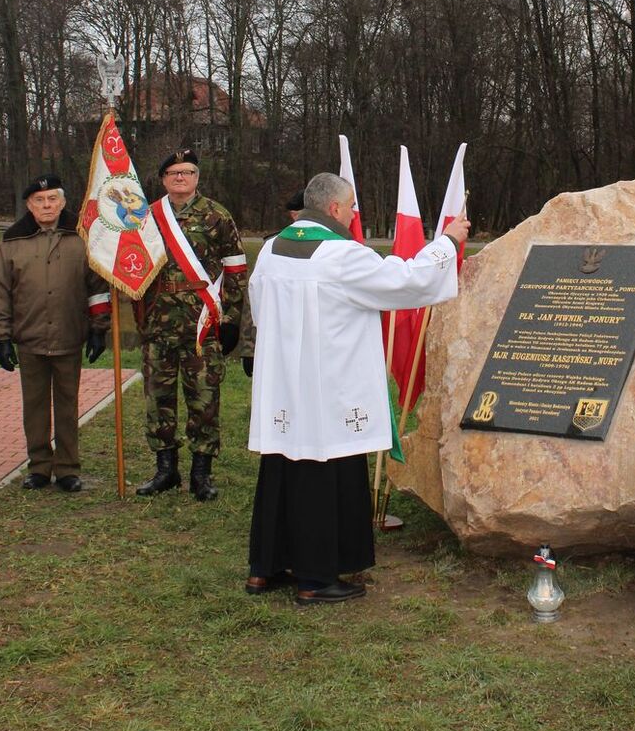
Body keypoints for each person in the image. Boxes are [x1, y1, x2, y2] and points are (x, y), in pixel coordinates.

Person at [245, 172, 469, 606]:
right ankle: (315, 577)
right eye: (350, 208)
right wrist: (448, 242)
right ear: (333, 209)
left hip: (285, 385)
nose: (352, 216)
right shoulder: (341, 255)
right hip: (328, 384)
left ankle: (265, 567)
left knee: (282, 467)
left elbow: (260, 305)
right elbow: (405, 281)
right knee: (321, 471)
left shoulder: (272, 248)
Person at [0, 174, 111, 493]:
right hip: (30, 338)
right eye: (39, 200)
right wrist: (1, 338)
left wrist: (99, 330)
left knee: (68, 405)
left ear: (63, 202)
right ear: (29, 205)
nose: (46, 205)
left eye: (52, 199)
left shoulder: (82, 236)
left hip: (70, 335)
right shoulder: (12, 241)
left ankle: (68, 467)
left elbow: (97, 287)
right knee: (35, 406)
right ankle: (39, 466)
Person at [134, 149, 246, 501]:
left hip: (202, 323)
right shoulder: (147, 216)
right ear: (163, 179)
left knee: (204, 398)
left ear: (197, 177)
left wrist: (230, 319)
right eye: (173, 173)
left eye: (187, 172)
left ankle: (202, 473)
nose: (180, 178)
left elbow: (236, 270)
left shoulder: (217, 216)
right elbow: (131, 262)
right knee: (158, 398)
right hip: (158, 321)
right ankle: (165, 469)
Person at [239, 188, 305, 377]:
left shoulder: (334, 246)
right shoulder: (273, 246)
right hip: (280, 340)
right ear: (294, 215)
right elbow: (256, 298)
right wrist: (250, 349)